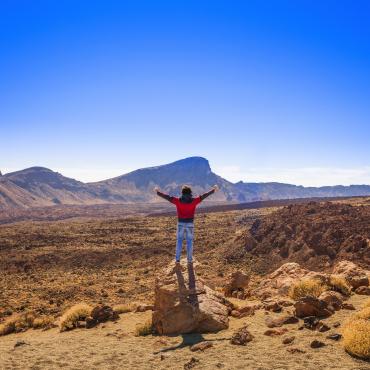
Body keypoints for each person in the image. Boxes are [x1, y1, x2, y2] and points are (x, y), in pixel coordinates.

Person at [154, 184, 219, 263]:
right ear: (190, 192)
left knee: (179, 241)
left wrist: (158, 192)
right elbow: (204, 196)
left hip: (180, 223)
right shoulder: (194, 201)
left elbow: (168, 197)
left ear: (182, 193)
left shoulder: (178, 201)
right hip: (190, 224)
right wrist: (213, 190)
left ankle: (177, 259)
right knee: (189, 242)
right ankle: (189, 260)